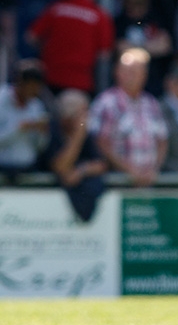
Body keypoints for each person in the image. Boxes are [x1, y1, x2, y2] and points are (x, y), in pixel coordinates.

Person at [26, 0, 115, 95]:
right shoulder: (100, 16)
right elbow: (104, 54)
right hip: (80, 82)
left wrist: (46, 49)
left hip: (50, 78)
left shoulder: (56, 8)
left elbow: (30, 37)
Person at [90, 47, 167, 187]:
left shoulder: (152, 103)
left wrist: (154, 170)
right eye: (128, 71)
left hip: (149, 183)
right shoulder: (106, 103)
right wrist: (129, 171)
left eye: (137, 72)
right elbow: (101, 143)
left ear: (145, 75)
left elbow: (162, 141)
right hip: (118, 183)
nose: (133, 76)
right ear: (117, 72)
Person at [48, 88, 108, 222]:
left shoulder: (86, 133)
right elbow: (61, 168)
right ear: (67, 117)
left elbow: (101, 164)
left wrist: (81, 171)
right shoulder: (53, 130)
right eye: (83, 113)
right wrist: (78, 136)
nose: (86, 118)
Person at [0, 59, 50, 180]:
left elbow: (40, 147)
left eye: (37, 87)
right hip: (2, 170)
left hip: (28, 169)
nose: (34, 91)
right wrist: (18, 129)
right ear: (20, 83)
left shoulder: (37, 106)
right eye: (31, 86)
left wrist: (42, 133)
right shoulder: (1, 100)